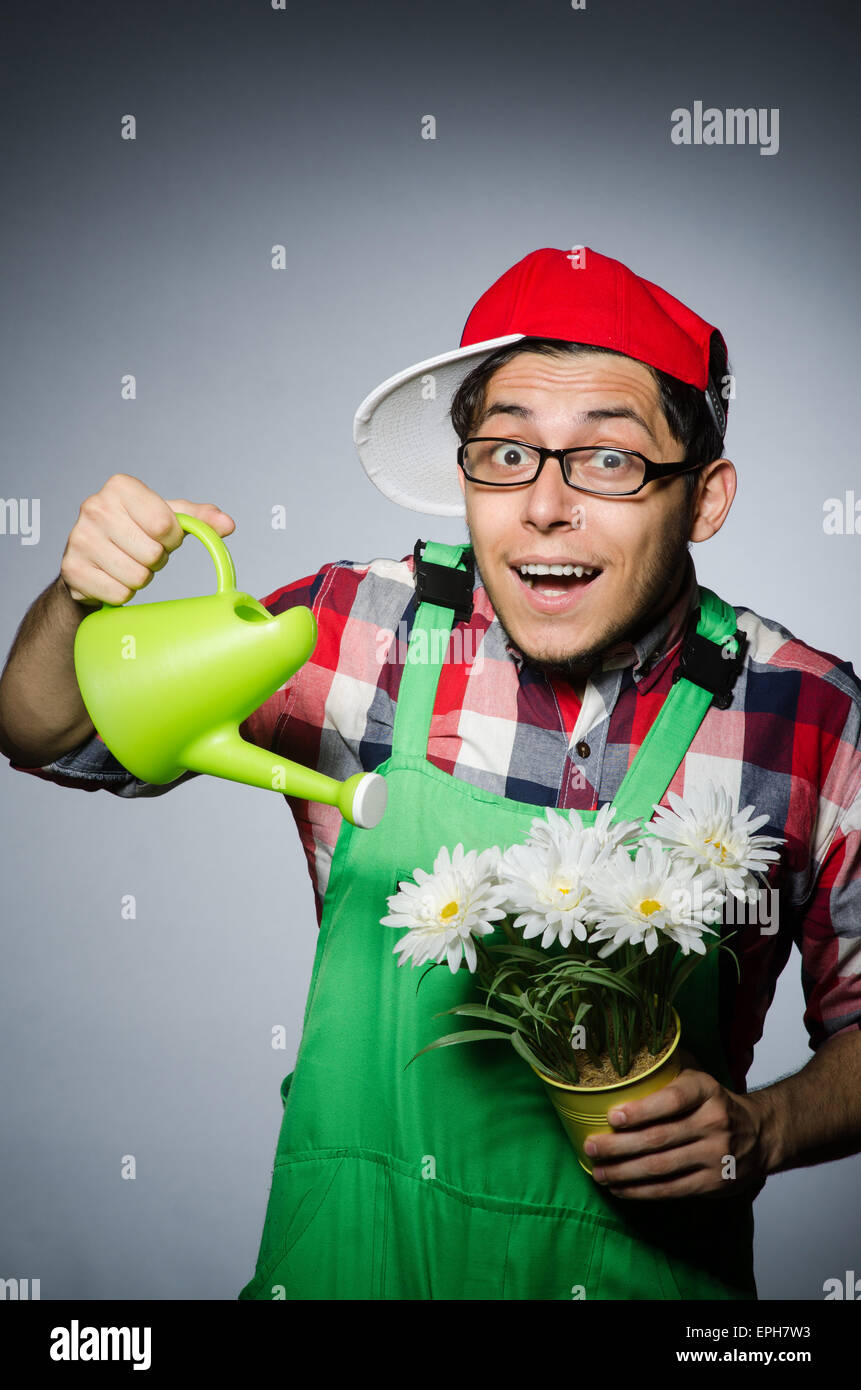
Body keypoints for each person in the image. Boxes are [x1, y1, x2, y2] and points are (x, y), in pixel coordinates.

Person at [1, 246, 859, 1302]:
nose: (544, 505)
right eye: (506, 453)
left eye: (607, 460)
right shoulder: (348, 631)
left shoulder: (809, 713)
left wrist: (766, 1127)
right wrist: (81, 601)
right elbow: (48, 733)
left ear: (705, 497)